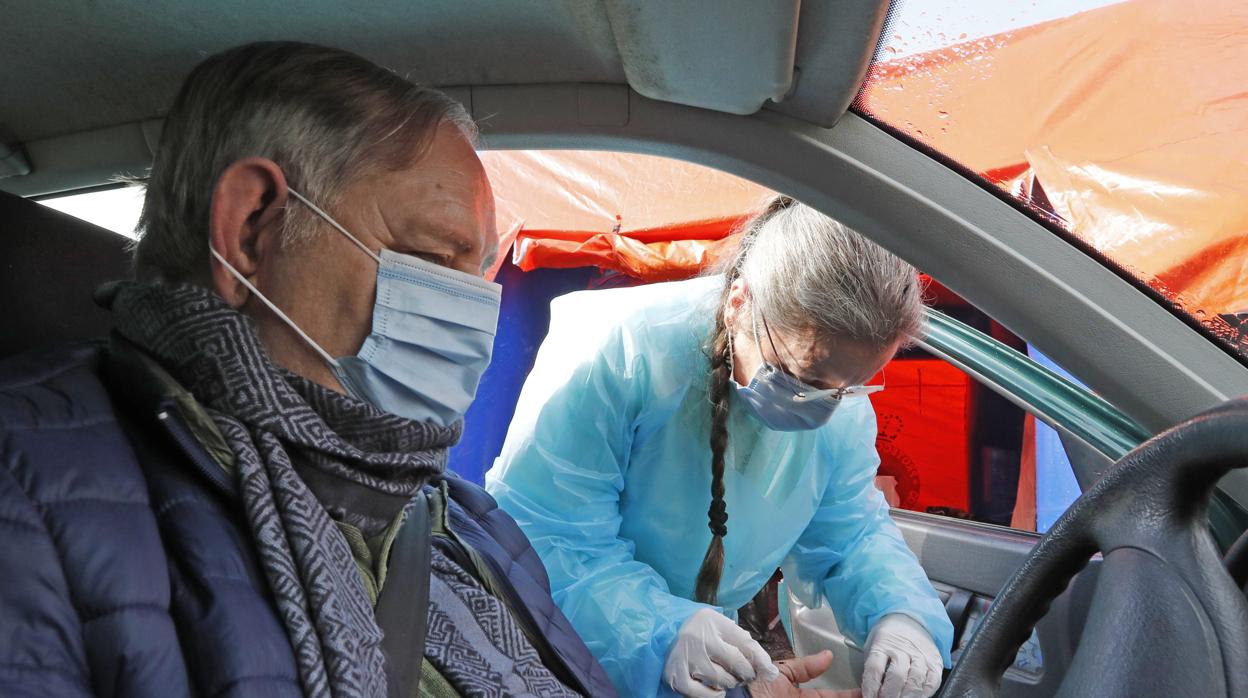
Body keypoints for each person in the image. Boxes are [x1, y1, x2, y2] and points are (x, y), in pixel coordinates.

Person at [0, 42, 616, 697]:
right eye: (434, 259)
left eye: (482, 274)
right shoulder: (26, 490)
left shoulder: (455, 511)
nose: (478, 316)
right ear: (251, 230)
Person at [487, 198, 954, 698]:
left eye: (850, 387)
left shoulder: (839, 401)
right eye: (803, 377)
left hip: (704, 659)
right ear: (738, 304)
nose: (822, 407)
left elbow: (851, 532)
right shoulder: (621, 351)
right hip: (566, 647)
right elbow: (547, 536)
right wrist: (660, 631)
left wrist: (901, 613)